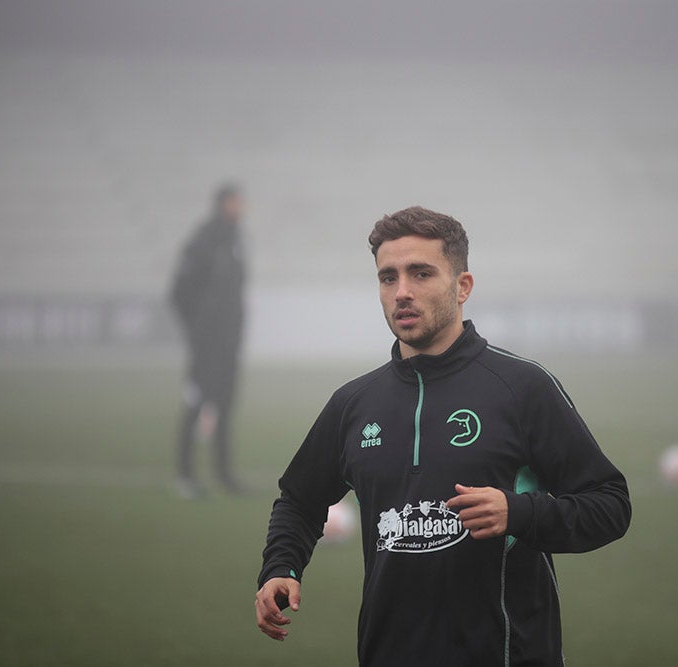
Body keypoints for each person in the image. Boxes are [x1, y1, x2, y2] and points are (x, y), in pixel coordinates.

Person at [255, 206, 631, 666]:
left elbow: (610, 504)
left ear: (462, 286)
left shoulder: (522, 388)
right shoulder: (354, 403)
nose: (403, 292)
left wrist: (520, 512)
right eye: (388, 277)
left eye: (421, 273)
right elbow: (299, 499)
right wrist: (281, 567)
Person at [169, 184, 247, 498]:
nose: (241, 207)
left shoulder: (236, 239)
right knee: (196, 404)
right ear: (222, 204)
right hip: (206, 345)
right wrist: (197, 331)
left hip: (229, 343)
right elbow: (178, 292)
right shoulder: (204, 239)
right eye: (236, 202)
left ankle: (223, 475)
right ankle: (185, 476)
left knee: (225, 406)